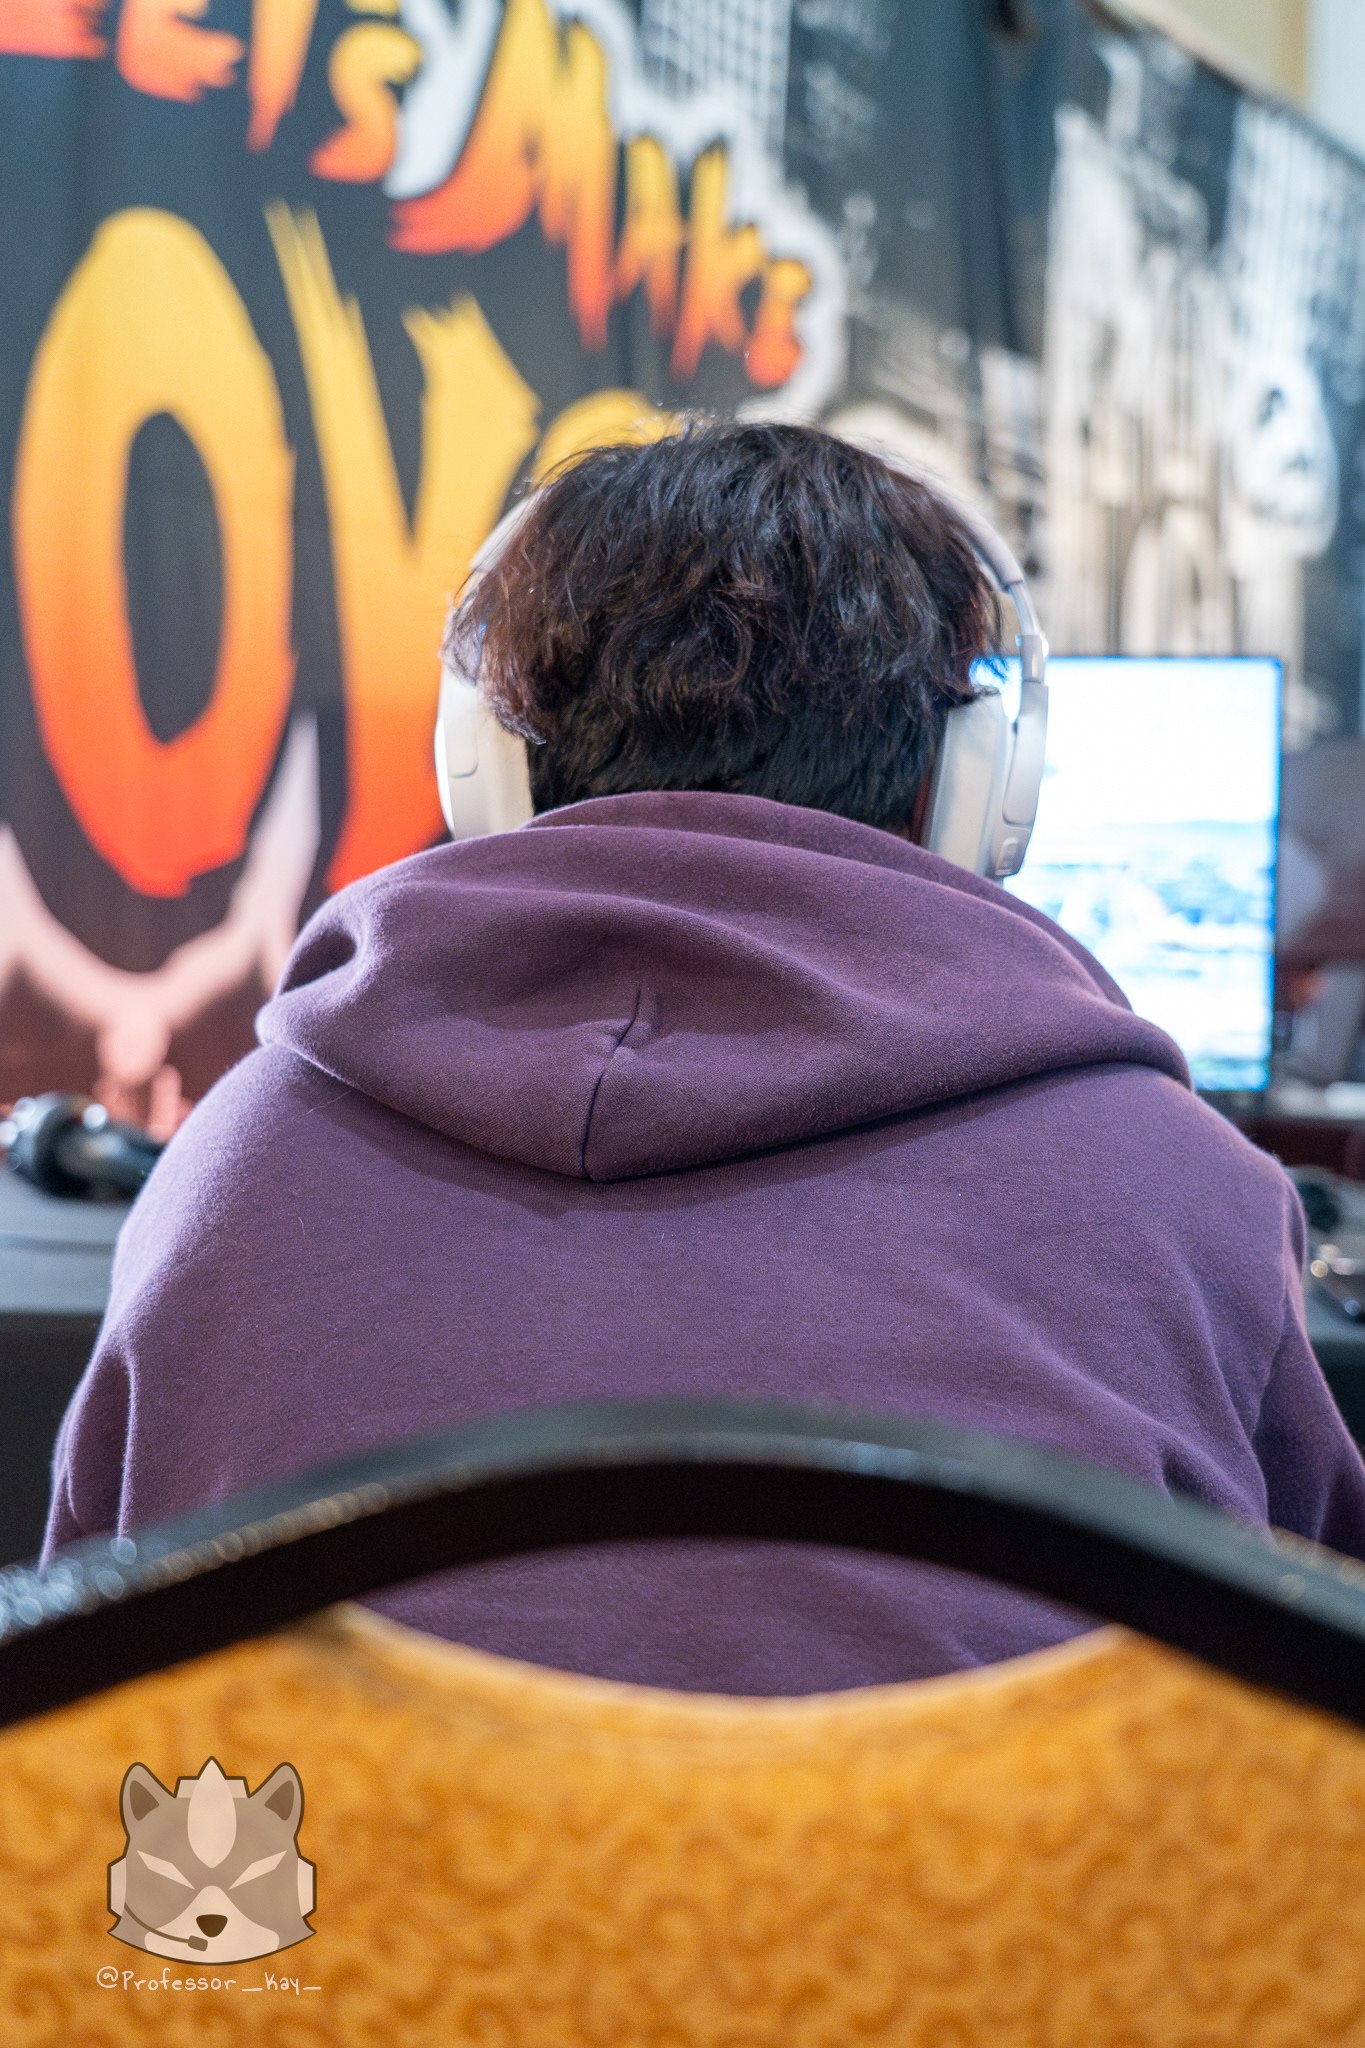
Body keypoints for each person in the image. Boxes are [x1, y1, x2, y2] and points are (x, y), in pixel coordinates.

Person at [42, 422, 1365, 1693]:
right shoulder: (1189, 1197)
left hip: (337, 1867)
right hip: (965, 1869)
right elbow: (1316, 1716)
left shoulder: (230, 1173)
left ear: (482, 769)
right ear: (979, 791)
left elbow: (86, 1731)